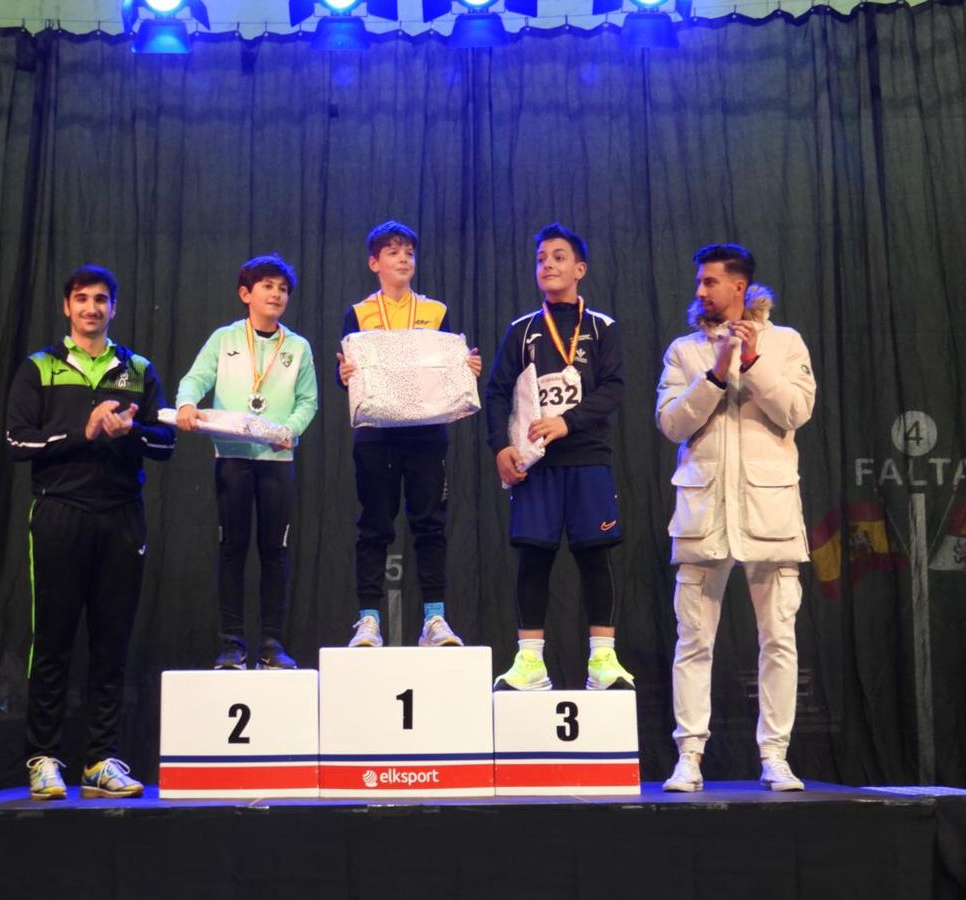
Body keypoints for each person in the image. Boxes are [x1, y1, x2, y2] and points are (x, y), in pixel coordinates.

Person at [5, 264, 175, 800]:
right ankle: (44, 759)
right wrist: (84, 430)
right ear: (67, 307)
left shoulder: (137, 368)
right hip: (60, 514)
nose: (91, 308)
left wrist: (128, 432)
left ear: (113, 308)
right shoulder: (40, 366)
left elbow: (165, 443)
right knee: (52, 642)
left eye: (101, 300)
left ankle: (101, 760)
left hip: (122, 516)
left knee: (112, 643)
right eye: (82, 299)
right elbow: (17, 441)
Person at [656, 243, 815, 792]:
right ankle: (689, 755)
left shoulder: (785, 342)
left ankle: (775, 756)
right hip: (703, 514)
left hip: (769, 513)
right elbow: (672, 425)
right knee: (693, 640)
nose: (700, 290)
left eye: (710, 282)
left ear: (739, 287)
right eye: (700, 281)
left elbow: (797, 411)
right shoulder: (685, 351)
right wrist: (716, 373)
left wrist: (750, 362)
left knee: (779, 639)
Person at [485, 223, 635, 692]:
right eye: (541, 259)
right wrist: (501, 447)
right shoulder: (522, 331)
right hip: (537, 465)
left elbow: (613, 389)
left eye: (558, 256)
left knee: (595, 556)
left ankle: (603, 660)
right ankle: (530, 662)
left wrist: (567, 422)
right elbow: (496, 393)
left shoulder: (602, 327)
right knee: (534, 556)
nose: (547, 264)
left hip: (588, 459)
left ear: (580, 269)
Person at [336, 220, 482, 648]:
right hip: (375, 434)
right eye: (393, 252)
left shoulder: (436, 312)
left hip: (426, 433)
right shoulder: (358, 314)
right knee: (374, 526)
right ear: (374, 263)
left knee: (430, 525)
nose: (403, 259)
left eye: (409, 252)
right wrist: (343, 376)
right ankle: (368, 620)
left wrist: (466, 368)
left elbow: (449, 369)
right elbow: (348, 373)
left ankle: (434, 620)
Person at [175, 254, 318, 670]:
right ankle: (232, 644)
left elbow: (309, 400)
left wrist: (290, 429)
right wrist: (186, 403)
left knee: (276, 551)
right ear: (245, 294)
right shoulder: (225, 339)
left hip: (277, 459)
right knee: (232, 549)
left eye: (283, 289)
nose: (276, 294)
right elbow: (196, 379)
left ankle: (272, 644)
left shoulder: (297, 347)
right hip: (232, 457)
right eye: (267, 286)